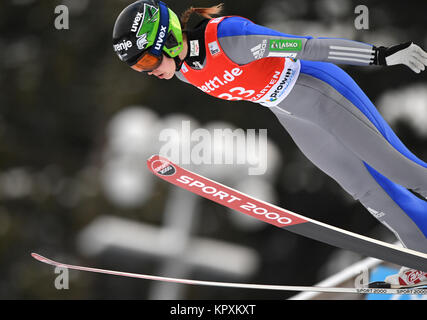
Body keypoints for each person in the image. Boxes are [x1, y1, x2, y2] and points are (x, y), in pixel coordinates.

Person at [112, 0, 427, 288]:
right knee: (367, 189)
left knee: (398, 168)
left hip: (322, 91)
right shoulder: (184, 73)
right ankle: (421, 255)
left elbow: (310, 48)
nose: (150, 71)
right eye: (140, 67)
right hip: (291, 114)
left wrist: (380, 55)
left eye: (149, 60)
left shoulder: (229, 37)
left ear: (168, 38)